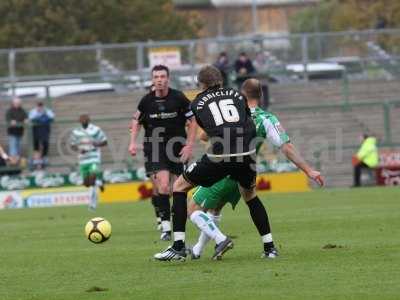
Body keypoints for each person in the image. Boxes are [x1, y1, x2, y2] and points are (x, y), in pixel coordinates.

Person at [154, 66, 324, 262]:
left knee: (180, 187)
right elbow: (249, 125)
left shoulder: (198, 102)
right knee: (250, 196)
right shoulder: (239, 98)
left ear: (201, 84)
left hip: (222, 156)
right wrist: (309, 171)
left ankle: (179, 246)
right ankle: (269, 247)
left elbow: (204, 131)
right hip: (247, 157)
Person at [129, 65, 197, 241]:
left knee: (177, 189)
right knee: (164, 186)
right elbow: (135, 121)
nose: (159, 79)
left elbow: (193, 121)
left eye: (162, 76)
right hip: (155, 147)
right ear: (152, 80)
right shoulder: (146, 101)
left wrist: (189, 145)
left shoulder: (179, 98)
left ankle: (176, 223)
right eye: (156, 77)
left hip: (177, 147)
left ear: (168, 78)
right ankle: (166, 228)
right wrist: (132, 143)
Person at [70, 114, 107, 210]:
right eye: (82, 119)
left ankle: (92, 205)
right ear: (79, 121)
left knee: (92, 179)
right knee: (87, 183)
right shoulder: (76, 132)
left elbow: (105, 141)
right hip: (83, 160)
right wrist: (79, 149)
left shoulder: (95, 130)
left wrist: (97, 143)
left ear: (88, 120)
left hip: (94, 158)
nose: (84, 121)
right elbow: (72, 145)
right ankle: (99, 182)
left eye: (85, 119)